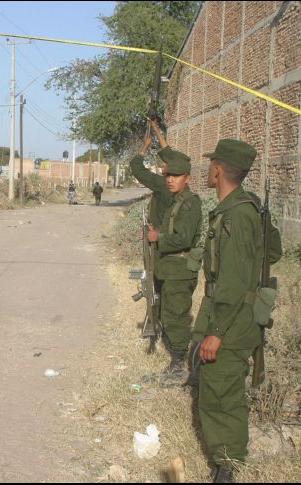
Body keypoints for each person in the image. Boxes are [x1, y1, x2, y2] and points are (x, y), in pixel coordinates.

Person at [194, 139, 282, 483]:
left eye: (210, 163)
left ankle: (227, 465)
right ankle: (226, 460)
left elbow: (231, 282)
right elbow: (271, 251)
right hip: (234, 314)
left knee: (221, 393)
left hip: (231, 319)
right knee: (219, 385)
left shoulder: (237, 214)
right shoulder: (247, 208)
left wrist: (216, 332)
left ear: (217, 169)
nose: (208, 169)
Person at [132, 120, 202, 385]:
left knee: (176, 316)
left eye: (174, 175)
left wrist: (156, 236)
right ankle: (175, 359)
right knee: (165, 311)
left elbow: (182, 238)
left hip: (178, 269)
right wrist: (160, 138)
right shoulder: (177, 197)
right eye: (167, 174)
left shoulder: (187, 202)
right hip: (168, 267)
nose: (169, 179)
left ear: (187, 178)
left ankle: (180, 364)